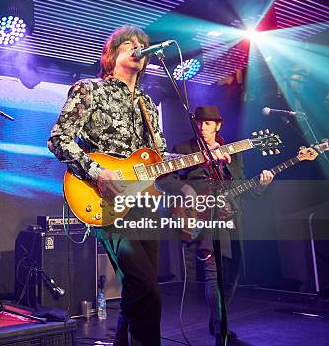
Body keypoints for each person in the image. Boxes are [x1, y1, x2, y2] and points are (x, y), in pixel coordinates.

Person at [48, 25, 168, 345]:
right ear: (112, 54)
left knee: (137, 288)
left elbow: (159, 156)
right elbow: (59, 140)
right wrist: (96, 172)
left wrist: (205, 158)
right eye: (128, 44)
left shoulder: (147, 104)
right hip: (106, 199)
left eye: (141, 45)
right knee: (147, 289)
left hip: (144, 203)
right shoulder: (90, 90)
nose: (137, 48)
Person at [170, 106, 274, 345]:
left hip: (230, 221)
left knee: (232, 276)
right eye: (199, 123)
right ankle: (220, 330)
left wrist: (260, 186)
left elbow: (241, 191)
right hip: (202, 219)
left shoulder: (233, 153)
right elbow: (168, 182)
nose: (202, 127)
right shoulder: (183, 151)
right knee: (213, 276)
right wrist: (187, 193)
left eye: (207, 123)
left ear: (218, 125)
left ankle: (216, 321)